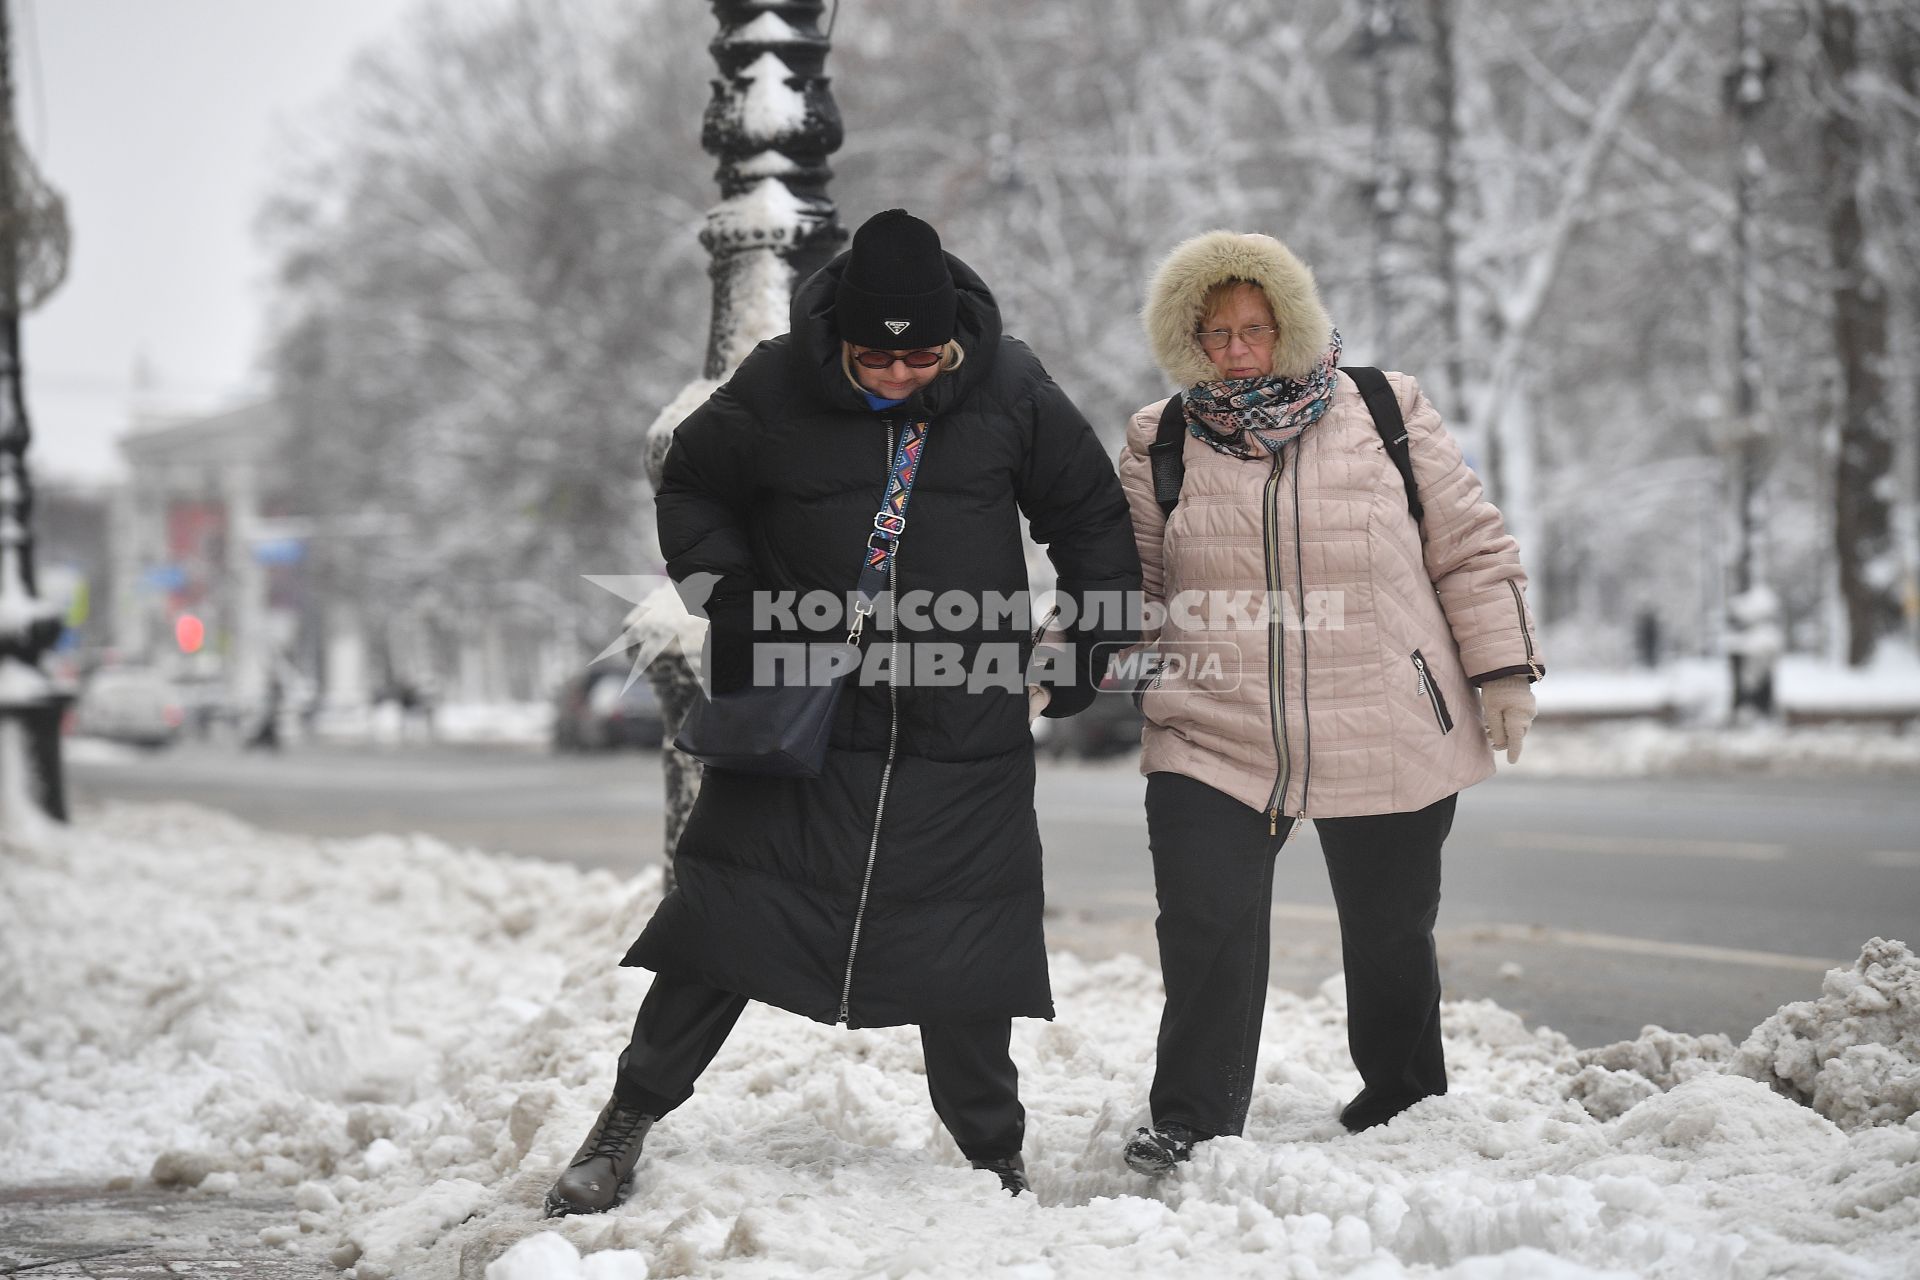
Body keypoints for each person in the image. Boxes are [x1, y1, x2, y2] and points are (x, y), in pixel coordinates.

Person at [544, 209, 1141, 1215]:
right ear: (843, 338)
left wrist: (1087, 644)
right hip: (804, 710)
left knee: (967, 946)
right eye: (876, 360)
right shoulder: (777, 382)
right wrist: (729, 599)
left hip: (962, 718)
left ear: (952, 334)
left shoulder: (1012, 386)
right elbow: (692, 482)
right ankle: (625, 1119)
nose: (900, 377)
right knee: (724, 920)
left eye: (921, 362)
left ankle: (994, 1158)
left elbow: (1089, 516)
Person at [1115, 230, 1544, 1174]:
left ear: (1292, 324)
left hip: (1384, 712)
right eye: (1215, 332)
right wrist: (1061, 661)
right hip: (1213, 723)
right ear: (1188, 341)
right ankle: (1192, 1118)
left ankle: (1402, 1102)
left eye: (1255, 327)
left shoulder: (1385, 408)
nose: (1236, 347)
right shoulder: (1163, 436)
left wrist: (1501, 668)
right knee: (1204, 925)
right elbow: (1131, 580)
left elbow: (1468, 545)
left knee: (1391, 930)